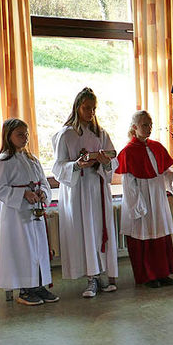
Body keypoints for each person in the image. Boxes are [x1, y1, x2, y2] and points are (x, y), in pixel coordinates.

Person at [52, 88, 119, 299]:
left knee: (100, 230)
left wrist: (105, 162)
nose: (90, 112)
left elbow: (113, 160)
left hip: (97, 188)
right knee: (86, 231)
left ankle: (104, 275)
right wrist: (77, 164)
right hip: (78, 190)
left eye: (93, 108)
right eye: (86, 108)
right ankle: (91, 277)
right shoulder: (66, 134)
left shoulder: (101, 133)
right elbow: (58, 166)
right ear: (77, 107)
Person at [0, 118, 58, 306]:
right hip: (16, 216)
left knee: (39, 249)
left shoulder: (32, 159)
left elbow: (43, 181)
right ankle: (25, 289)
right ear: (8, 136)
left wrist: (43, 193)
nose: (24, 138)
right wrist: (23, 194)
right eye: (20, 134)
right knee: (22, 249)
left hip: (34, 212)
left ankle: (39, 284)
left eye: (26, 134)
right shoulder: (2, 163)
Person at [115, 110, 173, 288]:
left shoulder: (157, 147)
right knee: (144, 236)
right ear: (135, 127)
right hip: (141, 199)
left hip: (157, 197)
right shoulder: (128, 152)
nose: (149, 128)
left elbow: (165, 173)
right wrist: (138, 206)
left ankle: (163, 273)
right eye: (145, 125)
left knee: (160, 234)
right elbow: (128, 183)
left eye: (150, 124)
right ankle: (148, 276)